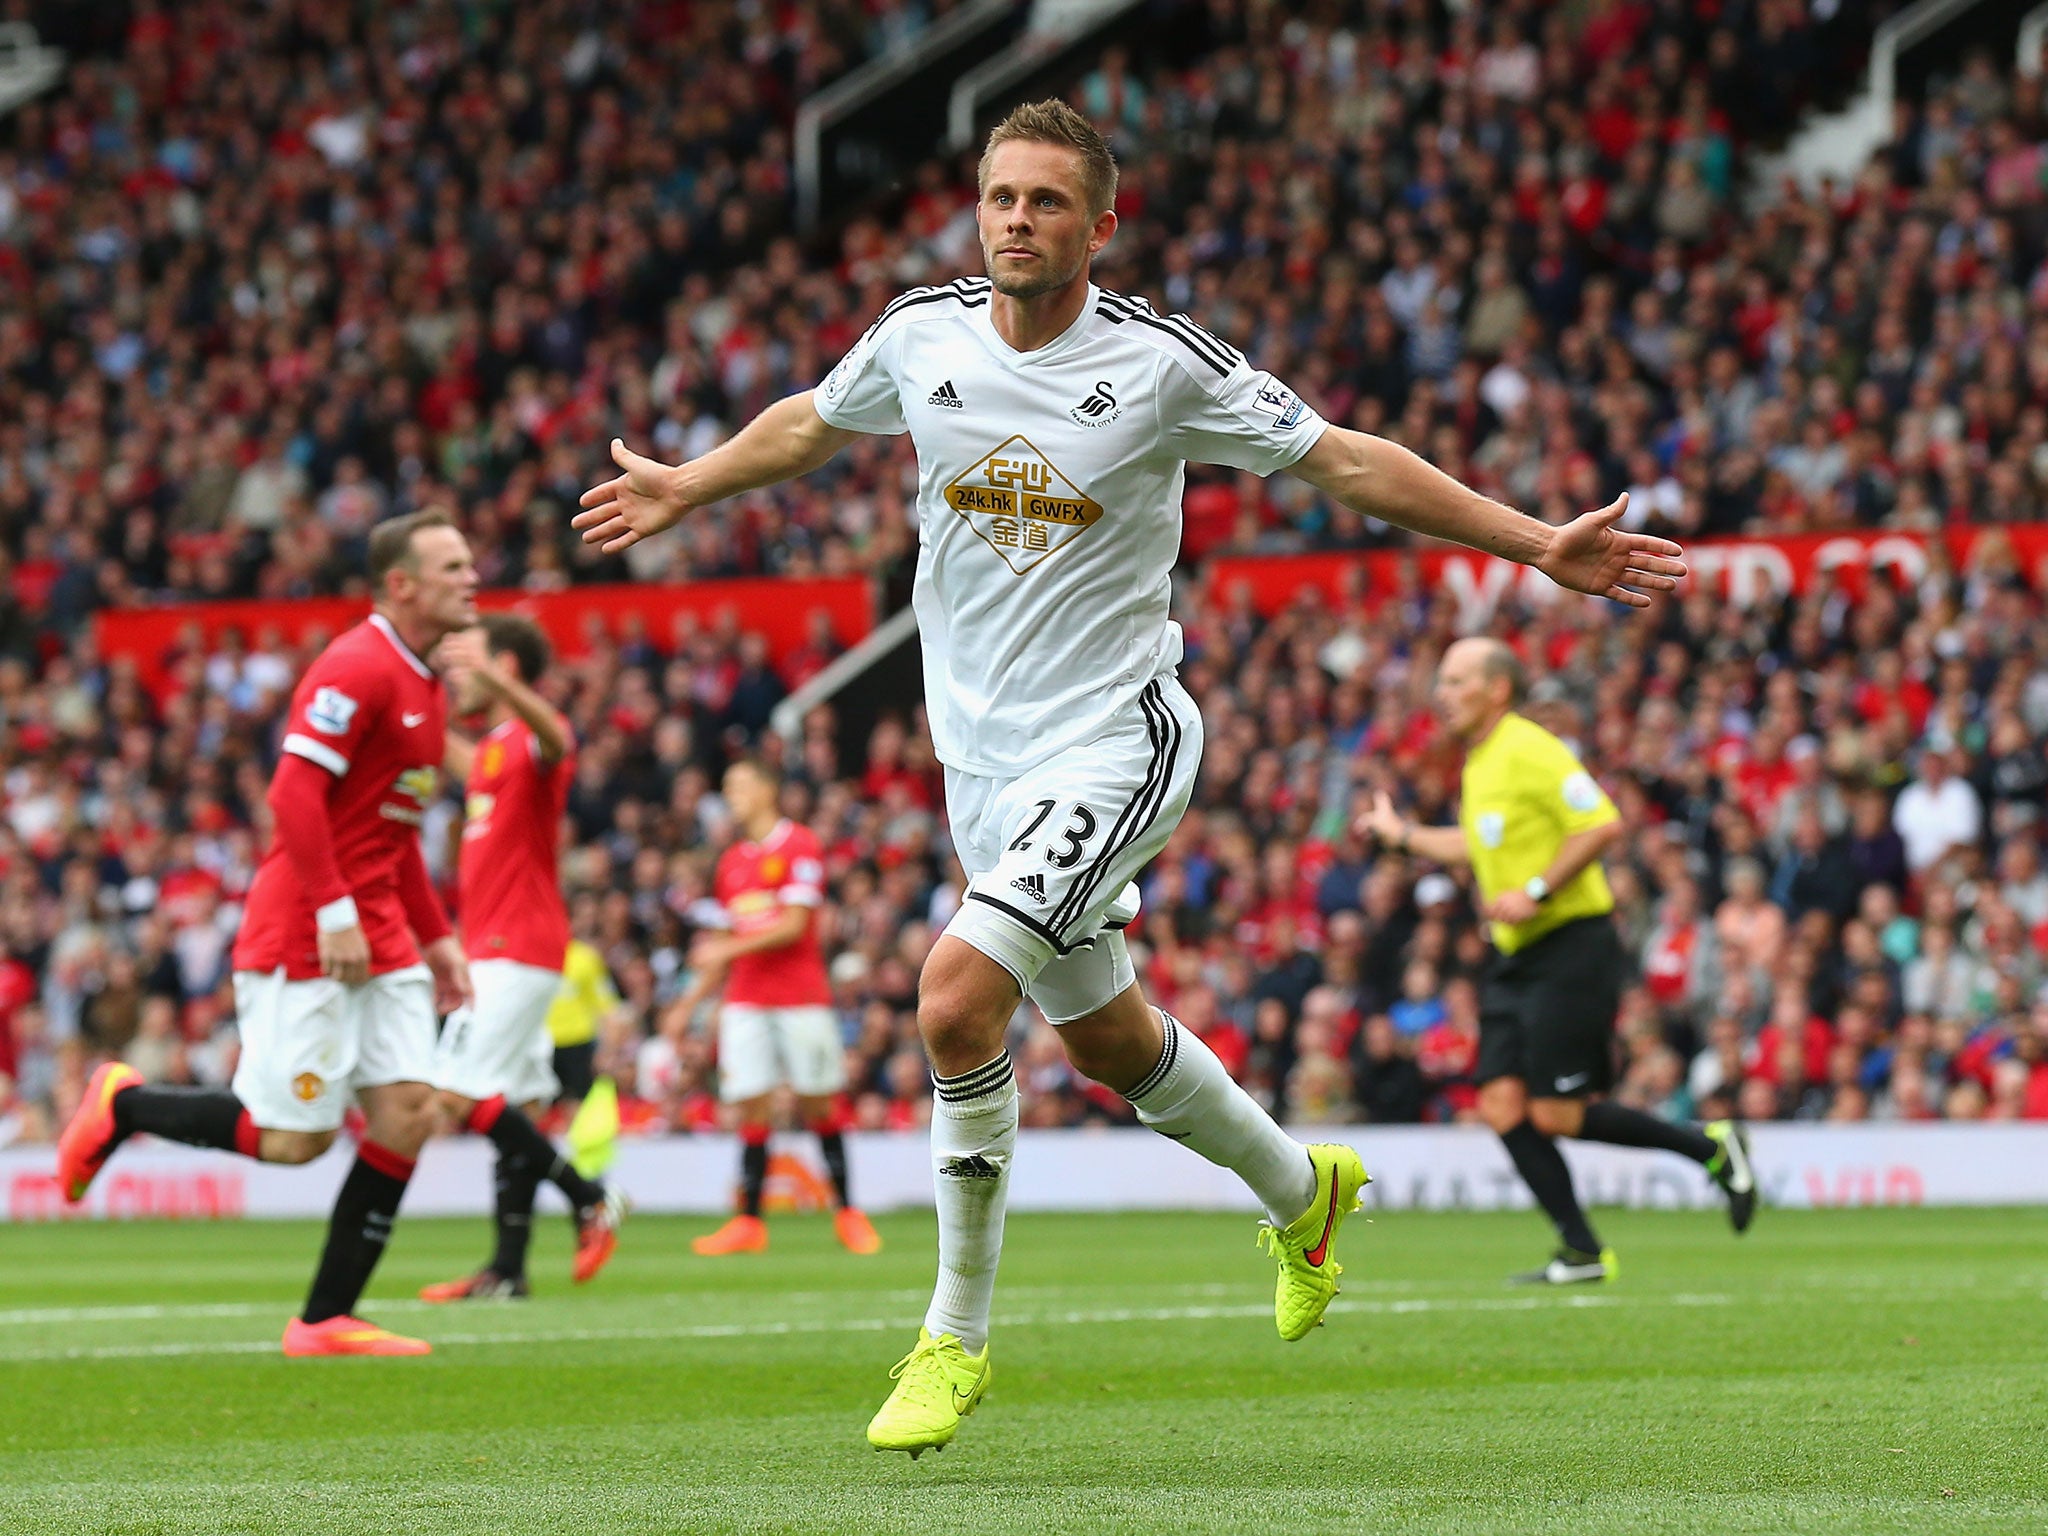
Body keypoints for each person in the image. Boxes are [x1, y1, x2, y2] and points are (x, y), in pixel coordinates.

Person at [574, 101, 1684, 1456]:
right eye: (999, 199)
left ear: (1102, 226)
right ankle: (1302, 1191)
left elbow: (1341, 458)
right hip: (977, 767)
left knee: (953, 997)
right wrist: (691, 485)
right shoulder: (922, 334)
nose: (1016, 222)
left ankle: (951, 1339)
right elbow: (814, 419)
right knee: (1105, 1041)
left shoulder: (1160, 364)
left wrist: (1527, 544)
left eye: (1046, 202)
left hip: (1118, 736)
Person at [55, 512, 478, 1356]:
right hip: (311, 931)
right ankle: (123, 1104)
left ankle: (323, 1320)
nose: (472, 578)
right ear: (402, 584)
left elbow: (388, 834)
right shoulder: (356, 665)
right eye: (453, 566)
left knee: (408, 1112)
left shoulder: (428, 685)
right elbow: (291, 795)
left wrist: (437, 939)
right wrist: (332, 910)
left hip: (384, 931)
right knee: (295, 1141)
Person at [1359, 638, 1755, 1285]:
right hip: (1518, 958)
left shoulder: (1528, 747)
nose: (1443, 692)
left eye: (1458, 681)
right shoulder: (1482, 761)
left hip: (1571, 942)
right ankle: (1580, 1251)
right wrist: (1402, 836)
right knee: (1501, 1104)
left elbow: (1601, 823)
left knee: (1554, 1114)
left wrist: (1536, 889)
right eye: (1444, 680)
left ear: (1498, 689)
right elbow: (1476, 844)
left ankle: (1709, 1147)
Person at [418, 613, 627, 1304]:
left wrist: (486, 675)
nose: (455, 679)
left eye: (466, 665)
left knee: (458, 1096)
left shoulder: (534, 744)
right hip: (489, 951)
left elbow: (558, 736)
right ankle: (507, 1269)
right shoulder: (490, 757)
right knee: (518, 1108)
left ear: (502, 666)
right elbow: (442, 749)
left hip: (518, 948)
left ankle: (588, 1197)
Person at [677, 756, 882, 1258]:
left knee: (818, 1100)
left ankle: (848, 1213)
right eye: (727, 785)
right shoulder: (731, 862)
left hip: (800, 997)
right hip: (746, 999)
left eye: (741, 783)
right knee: (751, 1102)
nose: (732, 793)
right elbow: (725, 940)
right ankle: (749, 1221)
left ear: (767, 790)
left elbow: (793, 925)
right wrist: (688, 1002)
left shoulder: (799, 844)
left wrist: (724, 950)